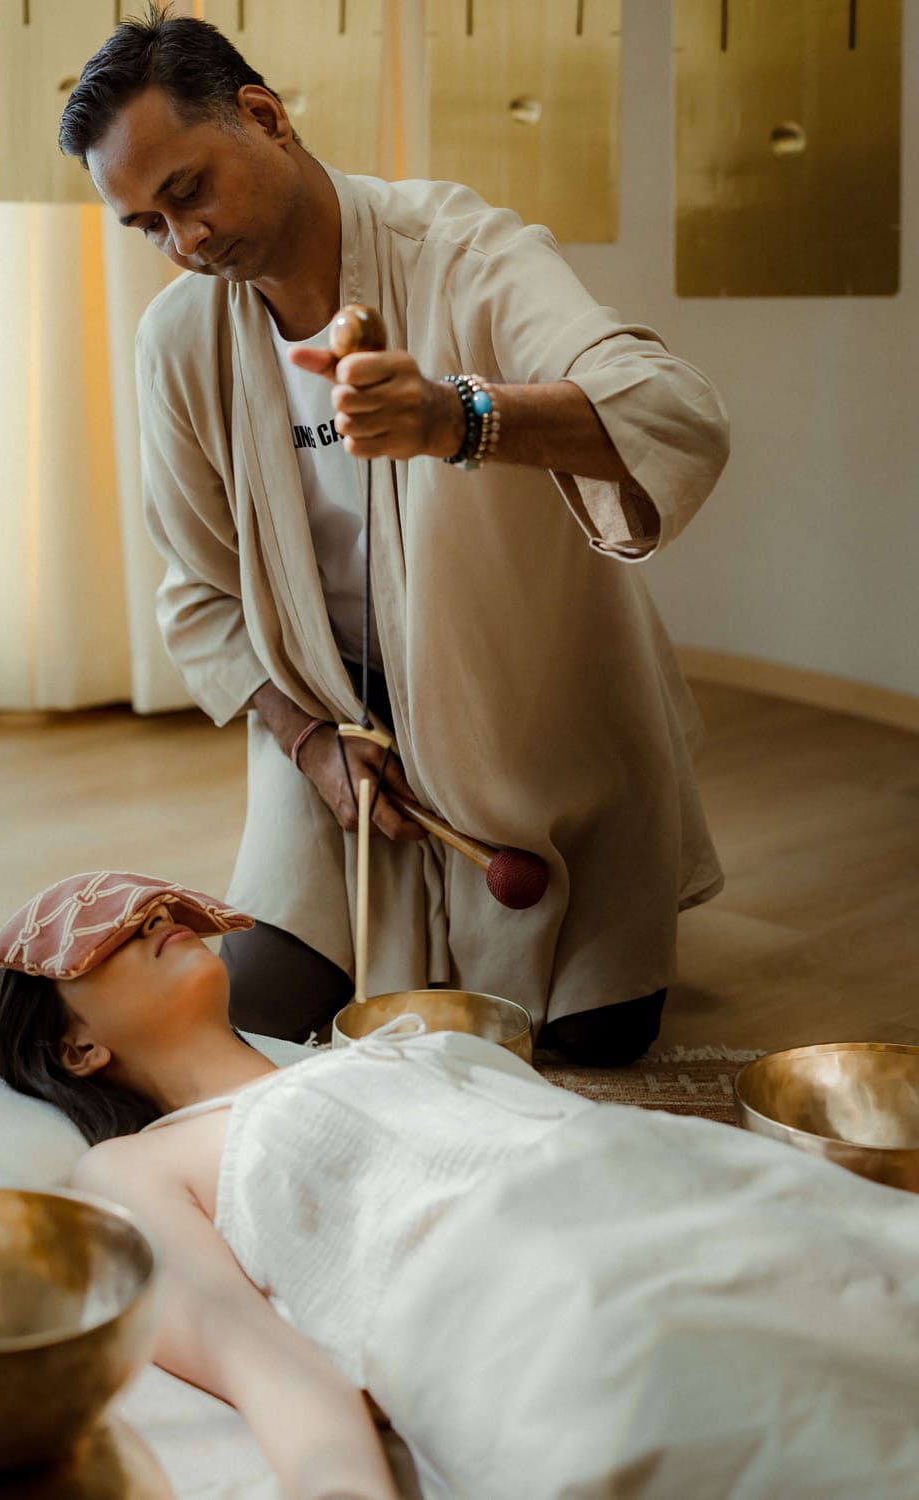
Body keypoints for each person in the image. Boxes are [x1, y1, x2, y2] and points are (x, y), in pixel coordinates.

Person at [58, 9, 732, 1061]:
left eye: (187, 191)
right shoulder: (179, 342)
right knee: (255, 1017)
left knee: (587, 1038)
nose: (184, 243)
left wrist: (455, 420)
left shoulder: (463, 250)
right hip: (339, 732)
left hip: (527, 732)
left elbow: (675, 414)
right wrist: (315, 746)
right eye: (146, 224)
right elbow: (200, 592)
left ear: (264, 116)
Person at [0, 872, 919, 1500]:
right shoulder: (132, 1167)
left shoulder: (403, 1041)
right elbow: (255, 1355)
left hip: (678, 1184)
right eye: (103, 938)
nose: (155, 919)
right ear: (76, 1045)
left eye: (155, 908)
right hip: (536, 1300)